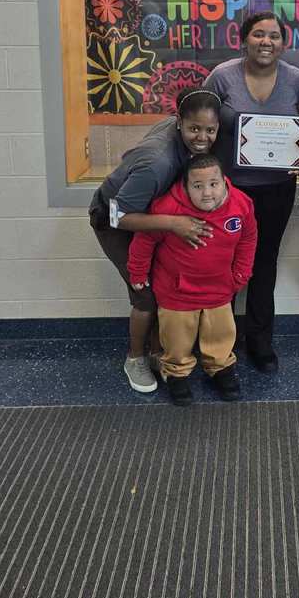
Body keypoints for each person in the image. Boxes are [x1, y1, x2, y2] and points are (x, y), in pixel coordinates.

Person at [88, 88, 222, 395]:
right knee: (145, 294)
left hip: (146, 212)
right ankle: (135, 359)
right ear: (179, 122)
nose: (202, 137)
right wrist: (174, 223)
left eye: (210, 130)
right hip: (114, 219)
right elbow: (118, 217)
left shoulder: (181, 132)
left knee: (161, 283)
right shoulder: (157, 163)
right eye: (194, 129)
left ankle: (155, 351)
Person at [204, 12, 299, 373]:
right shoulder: (222, 77)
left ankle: (260, 342)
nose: (266, 41)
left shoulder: (297, 81)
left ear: (284, 43)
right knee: (223, 262)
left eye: (274, 36)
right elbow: (200, 122)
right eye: (258, 34)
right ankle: (219, 343)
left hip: (277, 189)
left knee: (265, 262)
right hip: (229, 191)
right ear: (243, 40)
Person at [127, 154, 257, 407]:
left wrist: (241, 274)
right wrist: (138, 273)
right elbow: (144, 240)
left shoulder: (241, 204)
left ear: (224, 182)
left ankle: (220, 368)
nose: (207, 193)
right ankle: (176, 373)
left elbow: (248, 239)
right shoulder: (167, 208)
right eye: (198, 186)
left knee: (220, 334)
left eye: (213, 184)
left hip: (220, 289)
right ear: (185, 187)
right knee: (176, 339)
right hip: (177, 292)